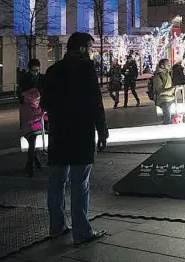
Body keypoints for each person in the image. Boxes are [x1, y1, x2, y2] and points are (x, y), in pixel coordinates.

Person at [41, 32, 108, 246]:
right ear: (81, 48)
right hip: (81, 133)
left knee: (57, 181)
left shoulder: (53, 70)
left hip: (59, 134)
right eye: (90, 47)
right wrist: (102, 129)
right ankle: (82, 231)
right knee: (80, 183)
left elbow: (45, 104)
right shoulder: (86, 69)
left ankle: (56, 226)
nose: (91, 51)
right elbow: (95, 102)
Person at [18, 58, 44, 177]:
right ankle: (31, 163)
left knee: (36, 136)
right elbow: (21, 97)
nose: (36, 73)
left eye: (37, 70)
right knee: (32, 138)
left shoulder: (41, 78)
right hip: (29, 113)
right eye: (34, 70)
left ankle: (34, 160)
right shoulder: (24, 79)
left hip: (38, 113)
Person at [153, 58, 176, 125]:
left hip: (170, 98)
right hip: (163, 100)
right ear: (162, 66)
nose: (169, 65)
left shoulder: (167, 73)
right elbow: (159, 91)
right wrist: (171, 89)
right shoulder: (158, 76)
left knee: (170, 118)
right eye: (167, 64)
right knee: (167, 120)